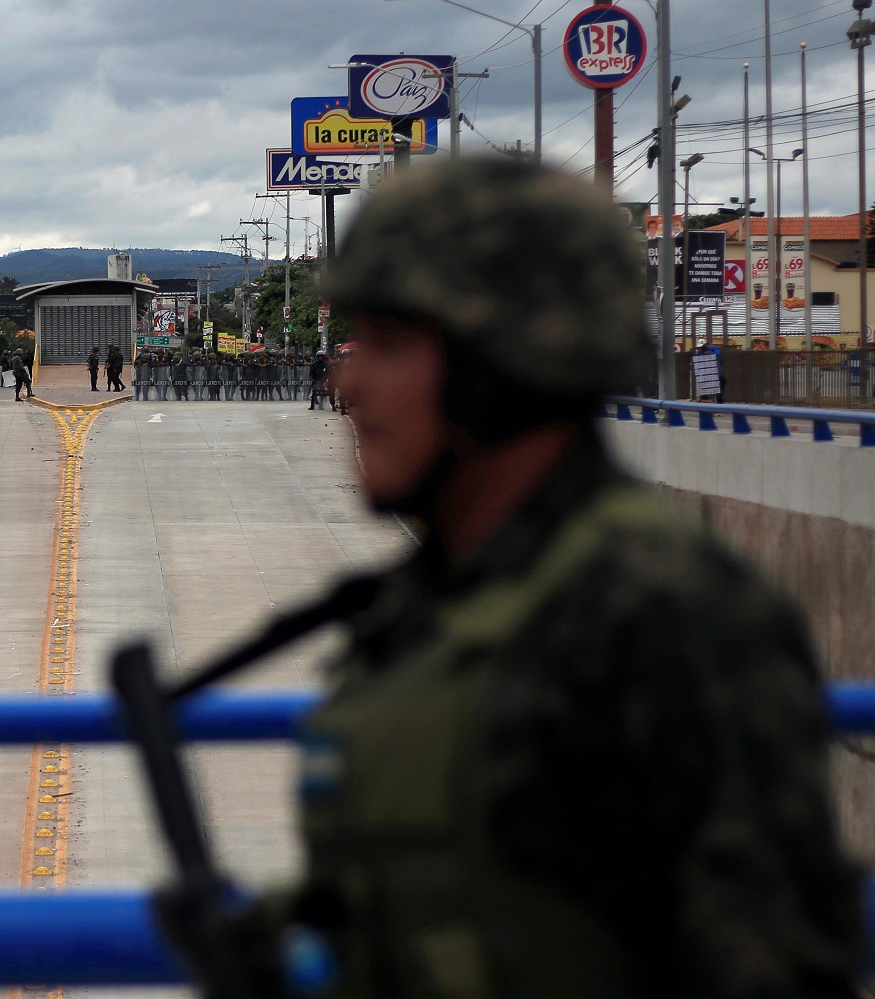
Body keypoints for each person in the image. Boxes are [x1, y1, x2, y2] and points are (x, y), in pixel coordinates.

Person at [153, 156, 864, 999]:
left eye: (386, 346)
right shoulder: (437, 603)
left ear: (504, 367)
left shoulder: (656, 618)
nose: (347, 382)